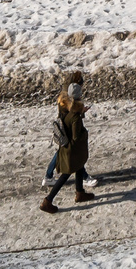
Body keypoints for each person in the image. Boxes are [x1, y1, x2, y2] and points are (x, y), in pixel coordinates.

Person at [38, 74, 94, 213]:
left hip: (68, 148)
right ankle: (47, 201)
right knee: (65, 175)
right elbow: (76, 137)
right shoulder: (75, 116)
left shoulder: (67, 108)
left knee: (79, 166)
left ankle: (80, 193)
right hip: (71, 150)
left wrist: (81, 112)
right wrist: (85, 134)